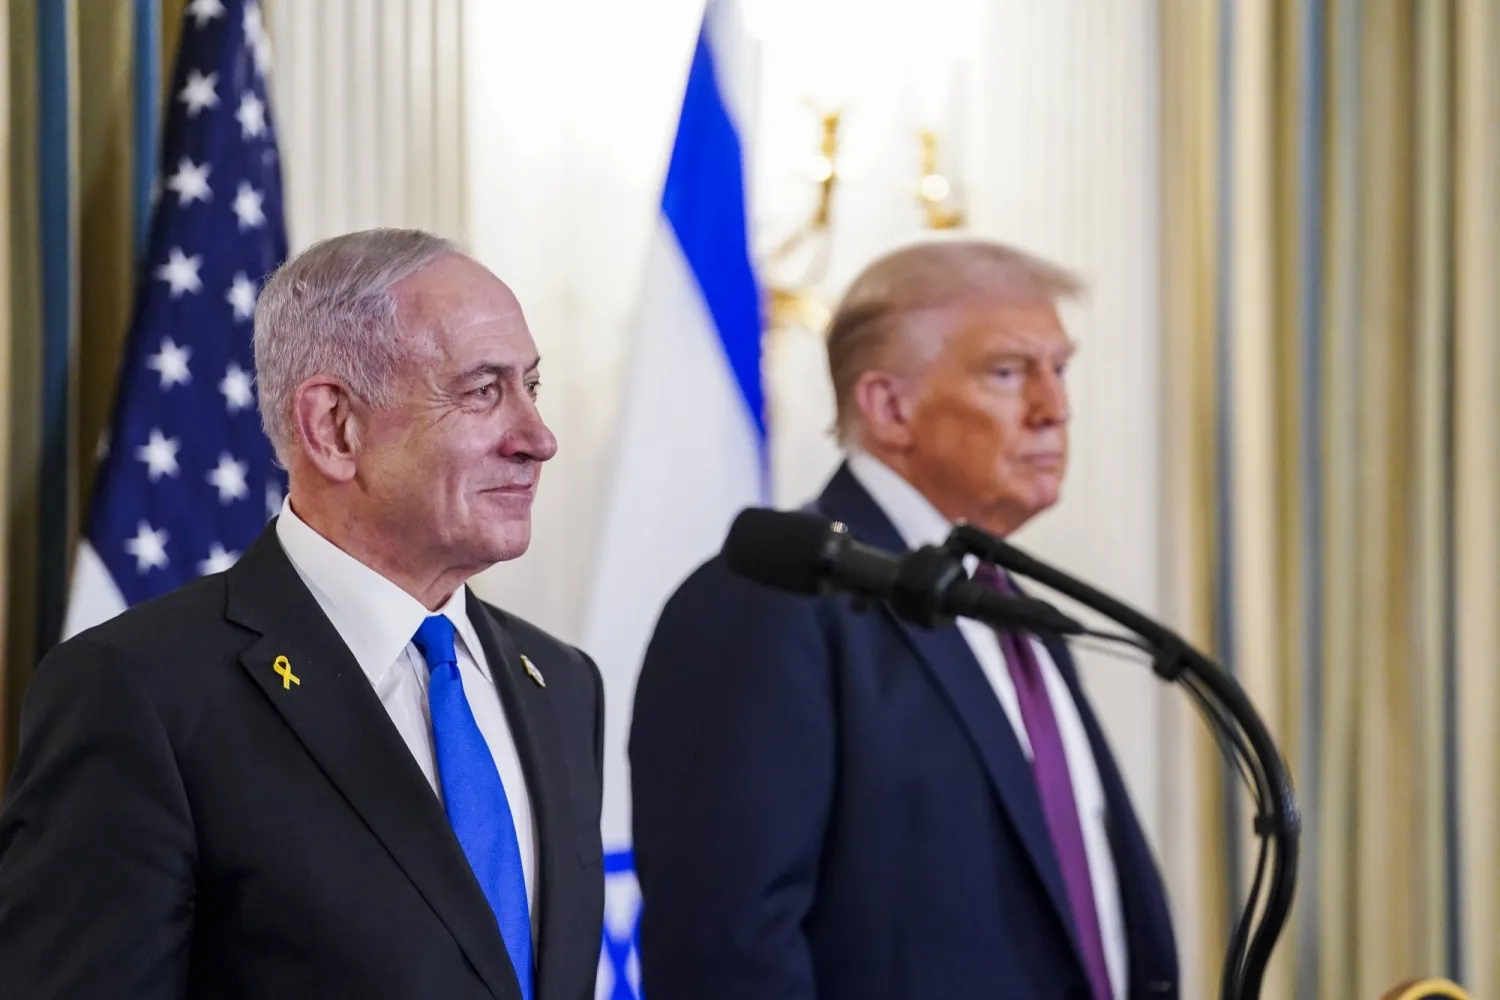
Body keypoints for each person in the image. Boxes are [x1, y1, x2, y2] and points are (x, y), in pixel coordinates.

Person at [0, 229, 605, 1000]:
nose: (537, 438)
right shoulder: (140, 693)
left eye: (532, 386)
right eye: (483, 390)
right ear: (334, 428)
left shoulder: (561, 683)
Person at [630, 240, 1178, 1000]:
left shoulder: (1008, 603)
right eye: (1009, 372)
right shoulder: (770, 600)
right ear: (889, 407)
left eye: (1059, 369)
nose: (1055, 408)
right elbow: (727, 949)